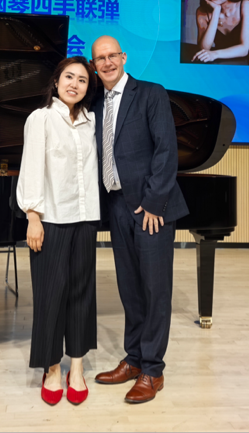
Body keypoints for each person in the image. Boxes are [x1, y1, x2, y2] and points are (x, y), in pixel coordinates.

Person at [90, 36, 188, 404]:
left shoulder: (150, 93)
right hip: (117, 205)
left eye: (112, 55)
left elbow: (166, 150)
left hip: (150, 209)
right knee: (129, 288)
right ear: (94, 65)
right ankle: (133, 359)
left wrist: (153, 204)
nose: (107, 62)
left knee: (155, 289)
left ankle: (153, 370)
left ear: (124, 57)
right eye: (100, 58)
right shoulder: (95, 102)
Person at [16, 56, 100, 406]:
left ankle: (76, 368)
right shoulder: (41, 118)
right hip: (50, 219)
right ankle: (52, 368)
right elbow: (32, 168)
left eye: (82, 80)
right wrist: (32, 216)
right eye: (69, 77)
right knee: (51, 295)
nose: (74, 84)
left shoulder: (91, 121)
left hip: (86, 217)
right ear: (56, 81)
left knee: (82, 294)